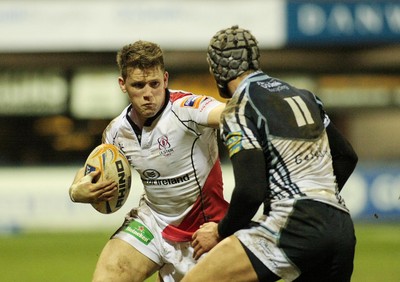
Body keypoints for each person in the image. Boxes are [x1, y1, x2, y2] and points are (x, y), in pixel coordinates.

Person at [182, 26, 358, 282]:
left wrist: (220, 232)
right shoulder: (306, 97)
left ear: (217, 70)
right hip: (341, 228)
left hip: (294, 225)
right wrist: (317, 205)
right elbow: (346, 156)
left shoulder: (239, 108)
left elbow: (250, 190)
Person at [68, 40, 229, 282]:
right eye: (138, 85)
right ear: (123, 85)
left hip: (201, 230)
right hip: (151, 223)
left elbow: (231, 113)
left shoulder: (187, 110)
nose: (147, 94)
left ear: (165, 79)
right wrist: (76, 190)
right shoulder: (117, 131)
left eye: (154, 84)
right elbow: (92, 168)